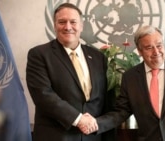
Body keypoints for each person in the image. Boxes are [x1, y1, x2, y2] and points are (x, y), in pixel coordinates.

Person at [80, 25, 165, 141]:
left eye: (159, 45)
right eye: (149, 48)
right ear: (140, 51)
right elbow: (121, 112)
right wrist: (96, 123)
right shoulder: (130, 78)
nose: (156, 52)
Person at [26, 3, 114, 141]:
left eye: (73, 22)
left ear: (81, 25)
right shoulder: (39, 54)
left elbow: (104, 101)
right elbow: (43, 95)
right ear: (55, 25)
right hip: (56, 136)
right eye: (62, 22)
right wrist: (79, 119)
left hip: (92, 137)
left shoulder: (98, 57)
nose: (68, 27)